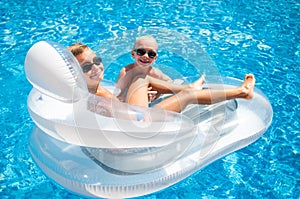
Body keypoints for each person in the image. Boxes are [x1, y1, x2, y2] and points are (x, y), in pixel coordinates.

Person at [68, 42, 255, 113]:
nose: (95, 67)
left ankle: (189, 88)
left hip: (132, 114)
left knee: (140, 78)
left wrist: (138, 98)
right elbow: (121, 118)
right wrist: (137, 104)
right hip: (138, 125)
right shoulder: (90, 98)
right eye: (86, 66)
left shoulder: (96, 89)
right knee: (187, 98)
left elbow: (117, 105)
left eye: (96, 60)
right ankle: (242, 92)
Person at [116, 35, 172, 102]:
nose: (145, 56)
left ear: (155, 58)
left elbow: (169, 82)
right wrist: (140, 96)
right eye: (141, 52)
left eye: (151, 54)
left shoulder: (155, 73)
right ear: (133, 54)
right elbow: (118, 97)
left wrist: (157, 92)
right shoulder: (126, 72)